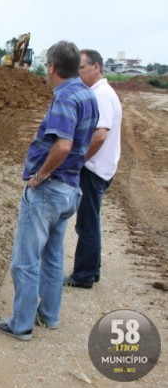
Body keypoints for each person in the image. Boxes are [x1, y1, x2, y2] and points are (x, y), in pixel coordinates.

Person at [0, 41, 99, 341]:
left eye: (45, 66)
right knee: (52, 256)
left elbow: (63, 144)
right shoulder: (87, 95)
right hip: (70, 189)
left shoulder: (65, 98)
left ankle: (21, 324)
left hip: (49, 191)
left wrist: (40, 176)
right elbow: (91, 139)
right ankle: (49, 316)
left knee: (25, 260)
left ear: (51, 67)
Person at [63, 49, 122, 289]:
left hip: (94, 168)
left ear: (96, 67)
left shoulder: (102, 96)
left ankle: (84, 275)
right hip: (99, 166)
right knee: (90, 220)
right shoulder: (99, 93)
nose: (78, 73)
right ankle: (92, 269)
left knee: (87, 223)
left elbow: (99, 135)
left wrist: (79, 160)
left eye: (81, 68)